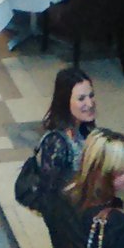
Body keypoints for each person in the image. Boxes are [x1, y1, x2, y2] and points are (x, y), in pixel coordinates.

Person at [37, 67, 97, 203]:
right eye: (81, 99)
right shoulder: (56, 143)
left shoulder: (86, 129)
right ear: (65, 102)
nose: (90, 103)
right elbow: (50, 193)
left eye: (91, 95)